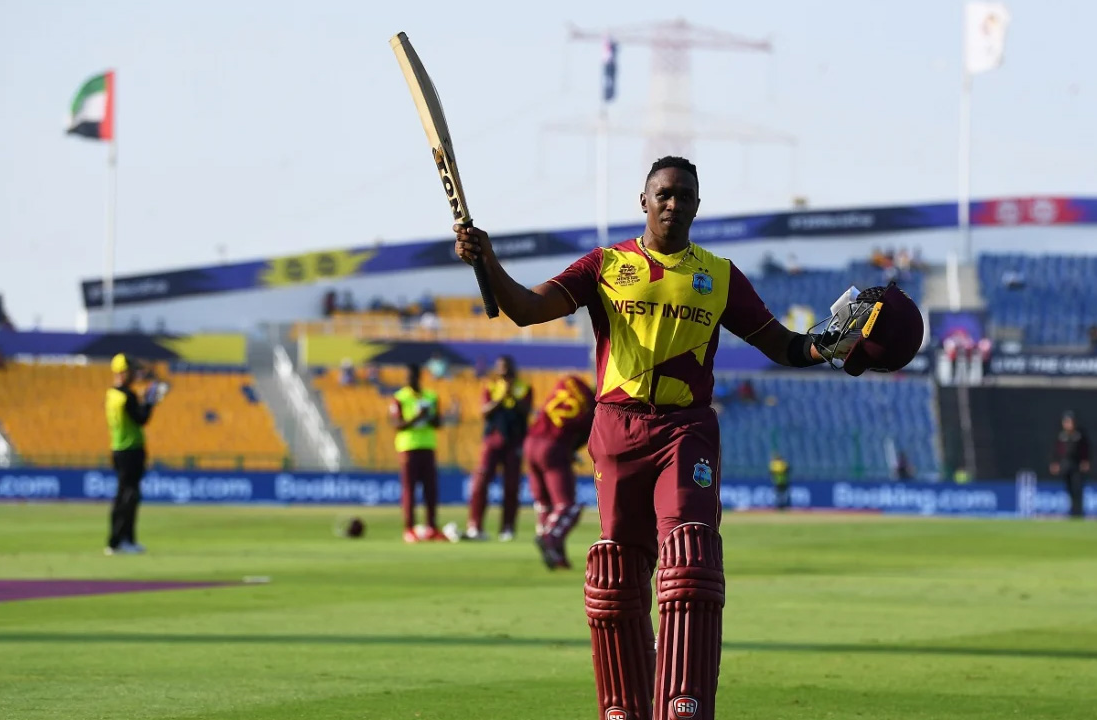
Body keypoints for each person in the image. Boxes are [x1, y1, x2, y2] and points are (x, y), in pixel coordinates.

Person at [452, 155, 924, 720]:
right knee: (618, 574)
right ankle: (624, 707)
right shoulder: (605, 265)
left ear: (698, 206)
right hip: (616, 428)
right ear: (643, 201)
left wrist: (827, 345)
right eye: (664, 194)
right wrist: (489, 260)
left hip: (686, 431)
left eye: (685, 196)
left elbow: (782, 345)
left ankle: (684, 705)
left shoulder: (719, 275)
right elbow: (527, 310)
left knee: (690, 558)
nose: (674, 203)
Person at [449, 355, 532, 541]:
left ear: (512, 367)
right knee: (481, 481)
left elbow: (527, 411)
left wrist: (512, 396)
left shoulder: (524, 388)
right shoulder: (491, 387)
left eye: (506, 366)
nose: (503, 370)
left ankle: (507, 528)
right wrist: (502, 397)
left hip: (515, 442)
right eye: (500, 367)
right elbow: (484, 411)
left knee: (511, 486)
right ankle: (475, 526)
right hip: (493, 440)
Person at [526, 374, 596, 570]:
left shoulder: (570, 381)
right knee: (568, 506)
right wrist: (571, 449)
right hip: (553, 447)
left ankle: (557, 556)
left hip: (531, 442)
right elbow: (588, 434)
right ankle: (548, 538)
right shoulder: (596, 406)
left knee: (545, 504)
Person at [104, 354, 167, 555]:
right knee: (129, 496)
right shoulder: (127, 396)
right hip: (131, 449)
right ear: (123, 373)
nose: (134, 375)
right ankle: (123, 540)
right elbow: (141, 419)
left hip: (117, 448)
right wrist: (150, 401)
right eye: (131, 371)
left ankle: (117, 540)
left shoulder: (111, 395)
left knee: (122, 496)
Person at [388, 363, 445, 543]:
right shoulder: (399, 398)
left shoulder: (431, 397)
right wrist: (417, 417)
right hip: (408, 448)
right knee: (410, 490)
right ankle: (409, 529)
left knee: (431, 490)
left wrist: (430, 416)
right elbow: (397, 424)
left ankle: (431, 527)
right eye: (407, 378)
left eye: (411, 377)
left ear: (418, 377)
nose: (409, 381)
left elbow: (438, 423)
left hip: (428, 446)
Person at [1050, 411, 1091, 519]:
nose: (1068, 424)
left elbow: (1085, 450)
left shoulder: (1079, 435)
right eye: (1066, 422)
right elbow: (1057, 451)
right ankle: (1072, 513)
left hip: (1076, 466)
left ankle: (1078, 513)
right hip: (1066, 465)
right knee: (1069, 490)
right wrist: (1055, 463)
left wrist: (1085, 461)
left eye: (1070, 422)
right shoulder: (1061, 436)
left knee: (1077, 488)